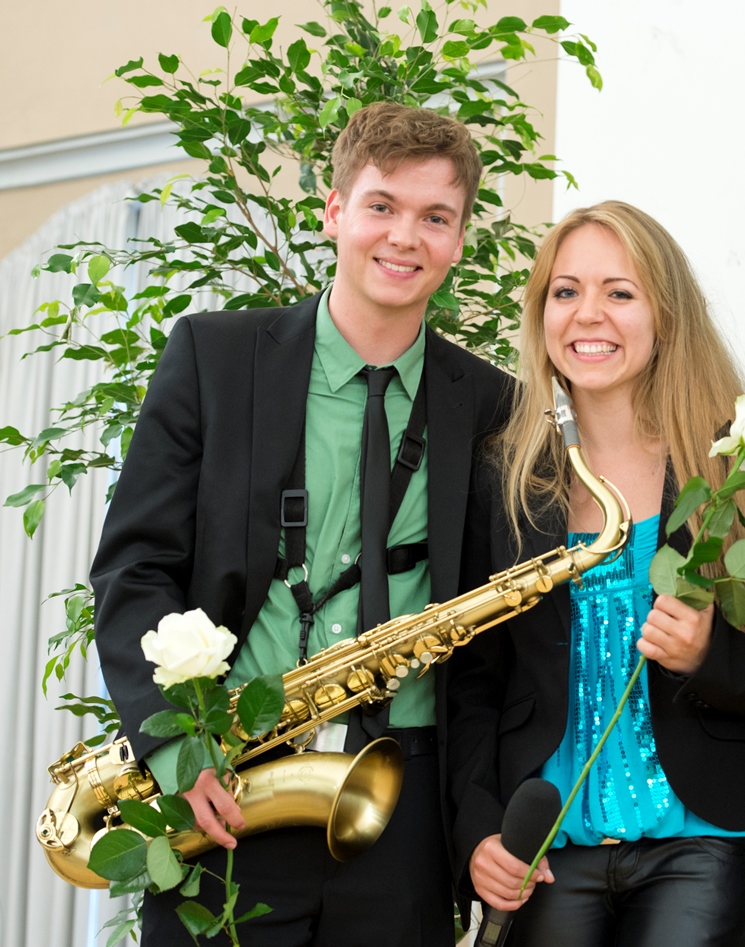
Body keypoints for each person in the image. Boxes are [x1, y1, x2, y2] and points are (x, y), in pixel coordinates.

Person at [91, 101, 510, 946]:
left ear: (460, 238)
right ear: (334, 210)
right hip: (231, 785)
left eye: (436, 217)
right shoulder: (213, 357)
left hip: (406, 809)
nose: (405, 237)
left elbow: (488, 655)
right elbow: (135, 567)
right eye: (382, 205)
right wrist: (178, 753)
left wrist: (478, 818)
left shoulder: (494, 403)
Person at [445, 201, 745, 946]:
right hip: (545, 851)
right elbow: (474, 678)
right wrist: (477, 830)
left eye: (619, 292)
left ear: (665, 315)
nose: (588, 314)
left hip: (699, 841)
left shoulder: (736, 459)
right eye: (565, 291)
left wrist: (705, 653)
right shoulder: (502, 477)